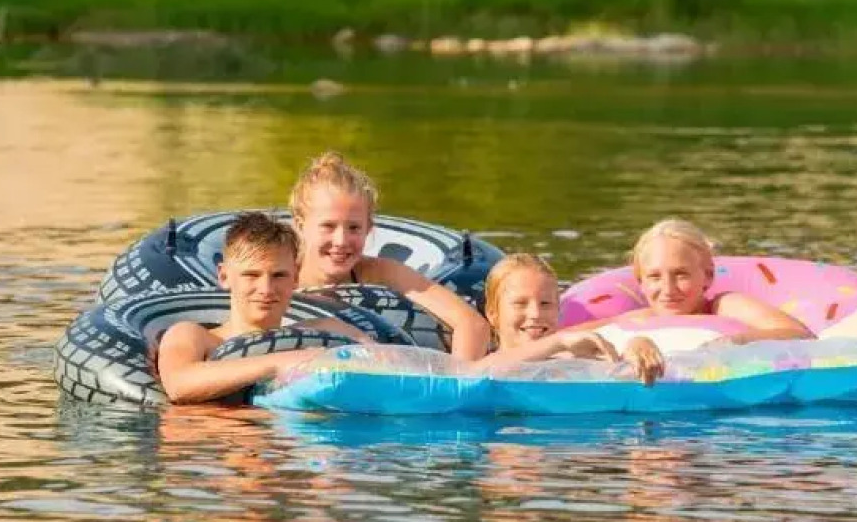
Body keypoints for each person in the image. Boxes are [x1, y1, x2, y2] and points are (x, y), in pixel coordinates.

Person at [289, 152, 491, 361]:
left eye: (354, 228)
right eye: (328, 226)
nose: (341, 240)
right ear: (300, 226)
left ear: (368, 229)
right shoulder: (277, 278)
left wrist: (456, 383)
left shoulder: (380, 273)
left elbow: (472, 323)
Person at [157, 212, 370, 405]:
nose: (266, 289)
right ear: (224, 276)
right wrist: (281, 363)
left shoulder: (325, 330)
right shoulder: (194, 336)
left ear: (295, 277)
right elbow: (178, 385)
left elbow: (385, 360)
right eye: (251, 275)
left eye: (279, 275)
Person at [586, 219, 814, 343]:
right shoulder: (641, 320)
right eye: (655, 277)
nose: (668, 289)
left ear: (708, 276)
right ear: (641, 283)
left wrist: (733, 343)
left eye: (681, 274)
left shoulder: (725, 306)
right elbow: (568, 337)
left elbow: (800, 334)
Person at [476, 253, 667, 385]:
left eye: (545, 304)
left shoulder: (572, 360)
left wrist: (638, 344)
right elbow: (476, 372)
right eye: (520, 303)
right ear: (493, 314)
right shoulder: (484, 367)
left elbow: (618, 364)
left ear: (558, 311)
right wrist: (559, 341)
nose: (535, 313)